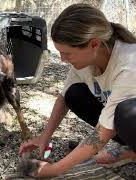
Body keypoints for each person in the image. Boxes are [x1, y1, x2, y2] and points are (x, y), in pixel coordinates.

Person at [18, 3, 136, 177]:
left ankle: (131, 152)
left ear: (94, 44)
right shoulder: (87, 61)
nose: (62, 60)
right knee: (74, 93)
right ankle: (131, 150)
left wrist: (52, 170)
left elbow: (102, 134)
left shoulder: (129, 64)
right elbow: (64, 96)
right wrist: (45, 136)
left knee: (126, 113)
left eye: (67, 53)